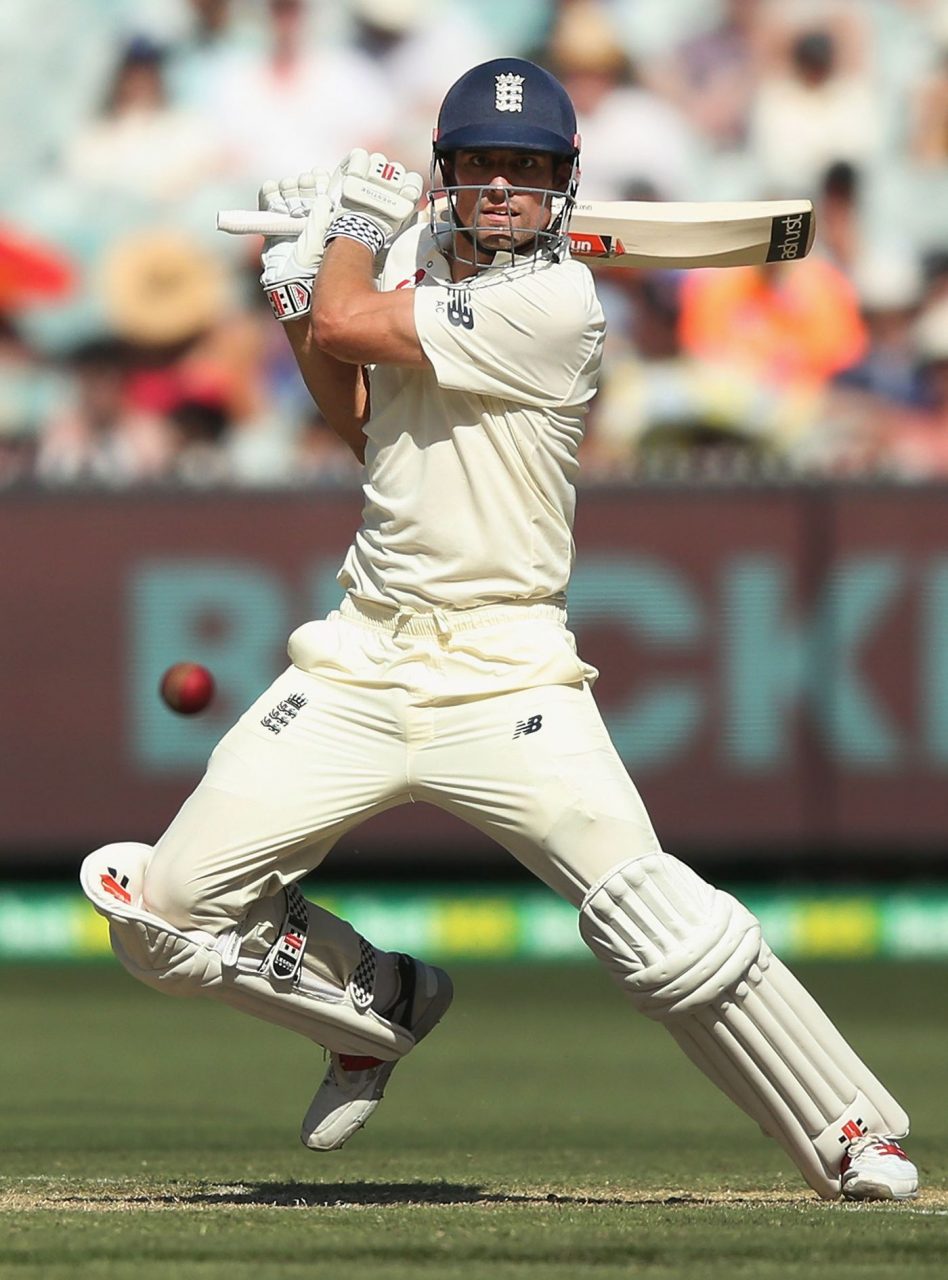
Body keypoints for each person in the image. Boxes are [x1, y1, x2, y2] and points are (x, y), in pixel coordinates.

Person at [81, 57, 918, 1203]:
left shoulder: (558, 302)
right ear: (452, 174)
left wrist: (340, 243)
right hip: (363, 656)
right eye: (483, 167)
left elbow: (350, 315)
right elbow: (357, 412)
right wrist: (293, 291)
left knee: (657, 924)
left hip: (508, 672)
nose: (505, 190)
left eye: (528, 170)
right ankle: (377, 999)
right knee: (158, 915)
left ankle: (852, 1128)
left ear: (563, 187)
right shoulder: (409, 268)